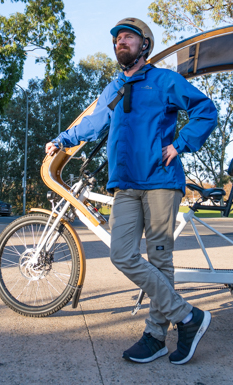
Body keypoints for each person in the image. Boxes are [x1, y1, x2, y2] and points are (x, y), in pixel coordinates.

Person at [46, 18, 218, 365]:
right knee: (121, 254)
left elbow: (205, 110)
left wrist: (180, 144)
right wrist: (62, 140)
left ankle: (155, 336)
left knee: (160, 260)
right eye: (116, 39)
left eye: (127, 37)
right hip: (125, 185)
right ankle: (187, 317)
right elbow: (94, 122)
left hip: (160, 182)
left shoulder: (163, 80)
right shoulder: (113, 88)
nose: (120, 42)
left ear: (144, 45)